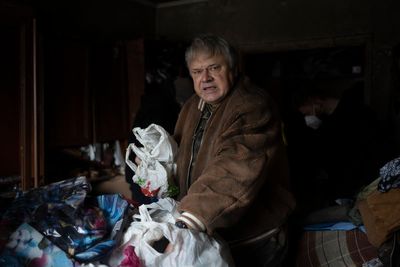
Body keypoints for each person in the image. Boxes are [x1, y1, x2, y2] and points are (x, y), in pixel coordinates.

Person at [171, 34, 296, 266]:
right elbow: (179, 155)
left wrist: (191, 217)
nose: (205, 78)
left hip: (254, 237)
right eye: (197, 72)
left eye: (213, 68)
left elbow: (236, 165)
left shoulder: (252, 105)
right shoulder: (191, 107)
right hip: (210, 231)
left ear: (233, 68)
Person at [286, 79, 394, 217]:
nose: (307, 118)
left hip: (368, 182)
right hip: (349, 188)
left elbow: (362, 155)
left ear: (315, 100)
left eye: (307, 114)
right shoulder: (328, 122)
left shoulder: (356, 113)